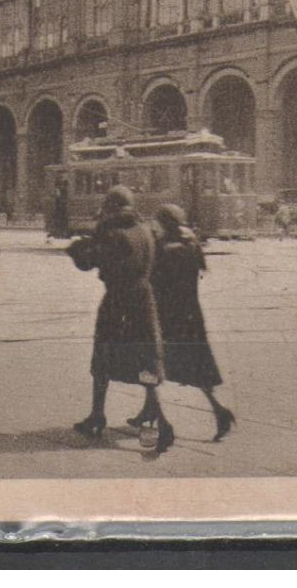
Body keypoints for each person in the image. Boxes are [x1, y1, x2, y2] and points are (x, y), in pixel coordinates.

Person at [66, 186, 170, 452]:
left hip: (118, 301)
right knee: (146, 358)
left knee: (103, 358)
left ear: (111, 207)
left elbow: (89, 261)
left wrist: (77, 249)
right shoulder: (147, 229)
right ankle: (152, 408)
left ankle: (97, 416)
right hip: (144, 300)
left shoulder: (111, 232)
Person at [143, 204, 235, 442]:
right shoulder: (191, 246)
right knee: (197, 369)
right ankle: (219, 409)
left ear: (164, 224)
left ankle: (162, 424)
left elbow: (152, 283)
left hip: (166, 318)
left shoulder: (164, 250)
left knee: (148, 367)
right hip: (191, 317)